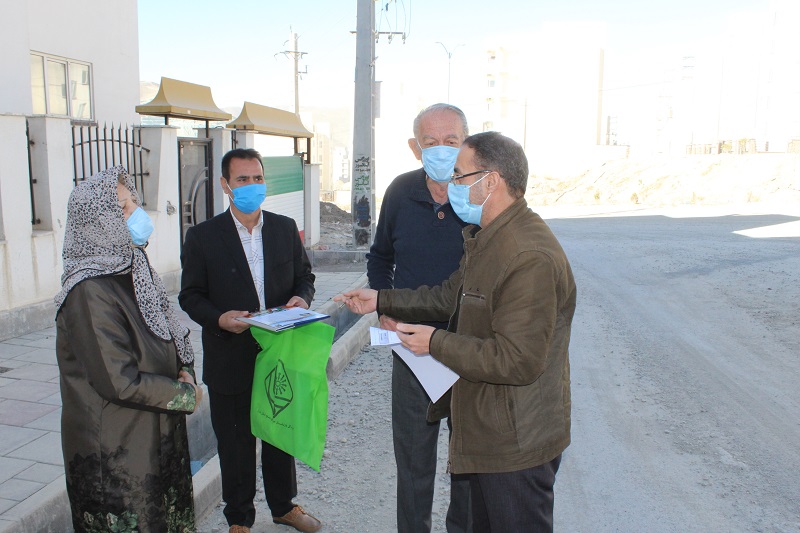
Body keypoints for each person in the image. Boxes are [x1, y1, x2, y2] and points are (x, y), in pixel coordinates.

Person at [338, 132, 576, 533]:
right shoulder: (488, 238)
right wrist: (381, 300)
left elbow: (517, 360)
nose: (451, 186)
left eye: (460, 175)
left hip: (515, 441)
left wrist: (434, 342)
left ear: (491, 181)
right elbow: (449, 296)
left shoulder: (527, 255)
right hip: (489, 428)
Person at [179, 148, 321, 533]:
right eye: (242, 179)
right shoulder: (203, 237)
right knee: (235, 444)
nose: (252, 186)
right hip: (230, 354)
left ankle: (284, 506)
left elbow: (305, 277)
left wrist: (300, 299)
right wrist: (220, 319)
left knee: (280, 435)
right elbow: (190, 296)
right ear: (226, 186)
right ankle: (239, 519)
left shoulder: (283, 227)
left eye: (257, 178)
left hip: (279, 352)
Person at [54, 166, 201, 533]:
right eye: (122, 208)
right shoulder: (88, 290)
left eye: (134, 202)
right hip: (117, 452)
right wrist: (185, 394)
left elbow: (168, 331)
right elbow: (118, 380)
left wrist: (185, 369)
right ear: (95, 222)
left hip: (153, 436)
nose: (135, 213)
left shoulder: (134, 267)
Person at [366, 103, 472, 533]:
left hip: (470, 350)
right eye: (432, 142)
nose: (442, 150)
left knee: (468, 461)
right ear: (416, 148)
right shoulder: (399, 192)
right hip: (410, 347)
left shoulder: (480, 195)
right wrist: (385, 307)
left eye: (452, 141)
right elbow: (379, 257)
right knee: (413, 463)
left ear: (467, 143)